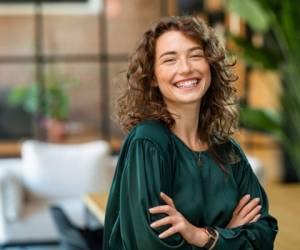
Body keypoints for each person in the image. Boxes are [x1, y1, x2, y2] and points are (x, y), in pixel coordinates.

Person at [103, 16, 278, 250]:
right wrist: (229, 235)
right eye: (170, 59)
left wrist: (202, 236)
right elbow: (150, 246)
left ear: (210, 66)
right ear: (153, 77)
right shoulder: (148, 142)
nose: (185, 68)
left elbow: (264, 235)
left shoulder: (227, 150)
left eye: (195, 55)